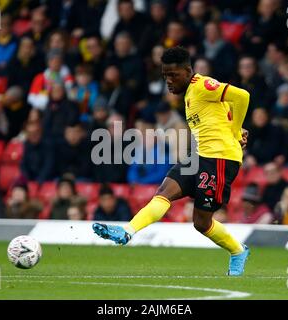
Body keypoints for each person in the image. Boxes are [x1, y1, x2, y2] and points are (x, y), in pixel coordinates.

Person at [93, 46, 250, 276]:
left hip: (219, 159)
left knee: (202, 223)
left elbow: (242, 96)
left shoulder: (202, 86)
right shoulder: (189, 95)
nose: (168, 80)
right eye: (165, 75)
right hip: (199, 155)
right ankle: (126, 232)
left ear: (188, 71)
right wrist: (234, 127)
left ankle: (238, 251)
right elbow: (223, 111)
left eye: (173, 75)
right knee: (164, 192)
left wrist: (236, 132)